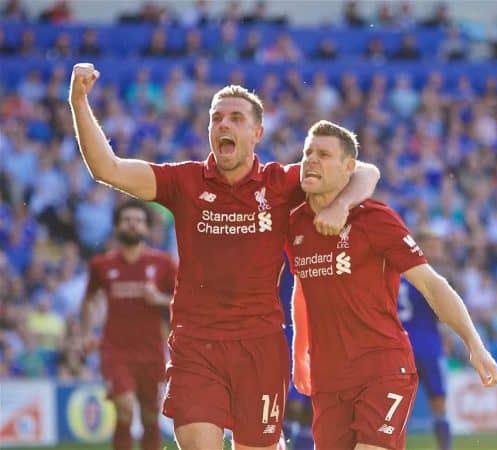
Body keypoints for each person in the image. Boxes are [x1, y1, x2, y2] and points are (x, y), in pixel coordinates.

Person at [69, 63, 380, 450]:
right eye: (216, 118)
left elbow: (364, 171)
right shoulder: (183, 181)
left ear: (256, 133)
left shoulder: (281, 183)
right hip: (196, 344)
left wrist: (341, 206)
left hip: (260, 346)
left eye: (236, 118)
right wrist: (79, 100)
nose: (223, 125)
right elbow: (107, 169)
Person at [288, 120, 497, 450]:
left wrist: (474, 341)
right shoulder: (294, 223)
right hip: (329, 377)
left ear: (348, 169)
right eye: (308, 152)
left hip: (383, 368)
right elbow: (304, 286)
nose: (311, 159)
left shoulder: (374, 219)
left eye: (323, 154)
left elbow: (431, 284)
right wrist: (300, 349)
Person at [80, 199, 177, 450]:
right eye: (127, 220)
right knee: (124, 408)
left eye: (138, 221)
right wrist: (87, 333)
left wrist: (160, 299)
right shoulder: (101, 265)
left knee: (149, 417)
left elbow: (185, 301)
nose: (132, 225)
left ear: (146, 229)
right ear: (116, 226)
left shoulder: (163, 264)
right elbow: (89, 301)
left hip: (152, 352)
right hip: (115, 350)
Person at [397, 229, 452, 450]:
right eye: (433, 245)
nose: (437, 250)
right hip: (427, 346)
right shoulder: (432, 276)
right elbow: (444, 313)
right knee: (438, 404)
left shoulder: (398, 273)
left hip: (401, 347)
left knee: (398, 407)